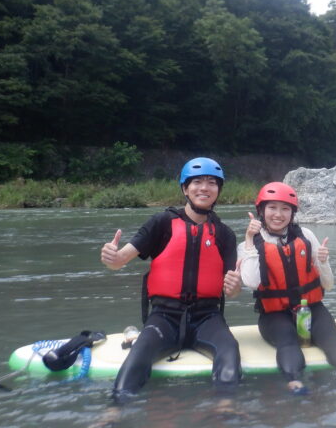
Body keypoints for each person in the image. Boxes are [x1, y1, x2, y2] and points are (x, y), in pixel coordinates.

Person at [100, 157, 242, 404]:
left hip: (207, 317)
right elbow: (119, 260)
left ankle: (225, 407)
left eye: (211, 183)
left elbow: (232, 290)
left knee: (229, 351)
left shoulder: (225, 235)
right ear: (185, 189)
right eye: (197, 182)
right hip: (164, 316)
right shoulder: (162, 223)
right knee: (138, 354)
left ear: (218, 191)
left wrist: (236, 287)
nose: (204, 188)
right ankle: (114, 410)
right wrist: (110, 257)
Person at [238, 181, 336, 394]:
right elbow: (251, 282)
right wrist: (250, 238)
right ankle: (295, 382)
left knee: (332, 340)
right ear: (261, 211)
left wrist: (323, 262)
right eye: (272, 208)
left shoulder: (306, 235)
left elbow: (328, 285)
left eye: (285, 209)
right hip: (274, 314)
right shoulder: (248, 245)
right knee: (287, 341)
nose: (278, 214)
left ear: (292, 213)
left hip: (311, 308)